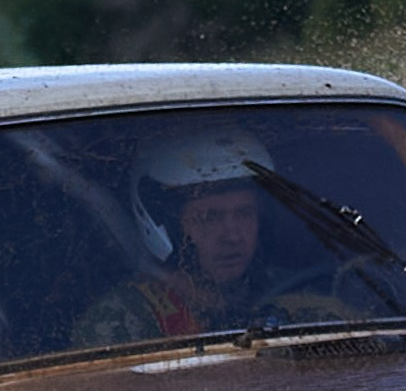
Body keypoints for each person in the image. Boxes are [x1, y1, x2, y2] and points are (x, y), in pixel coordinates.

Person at [73, 128, 309, 346]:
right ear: (169, 226)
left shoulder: (298, 294)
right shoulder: (123, 321)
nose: (232, 236)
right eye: (209, 217)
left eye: (244, 213)